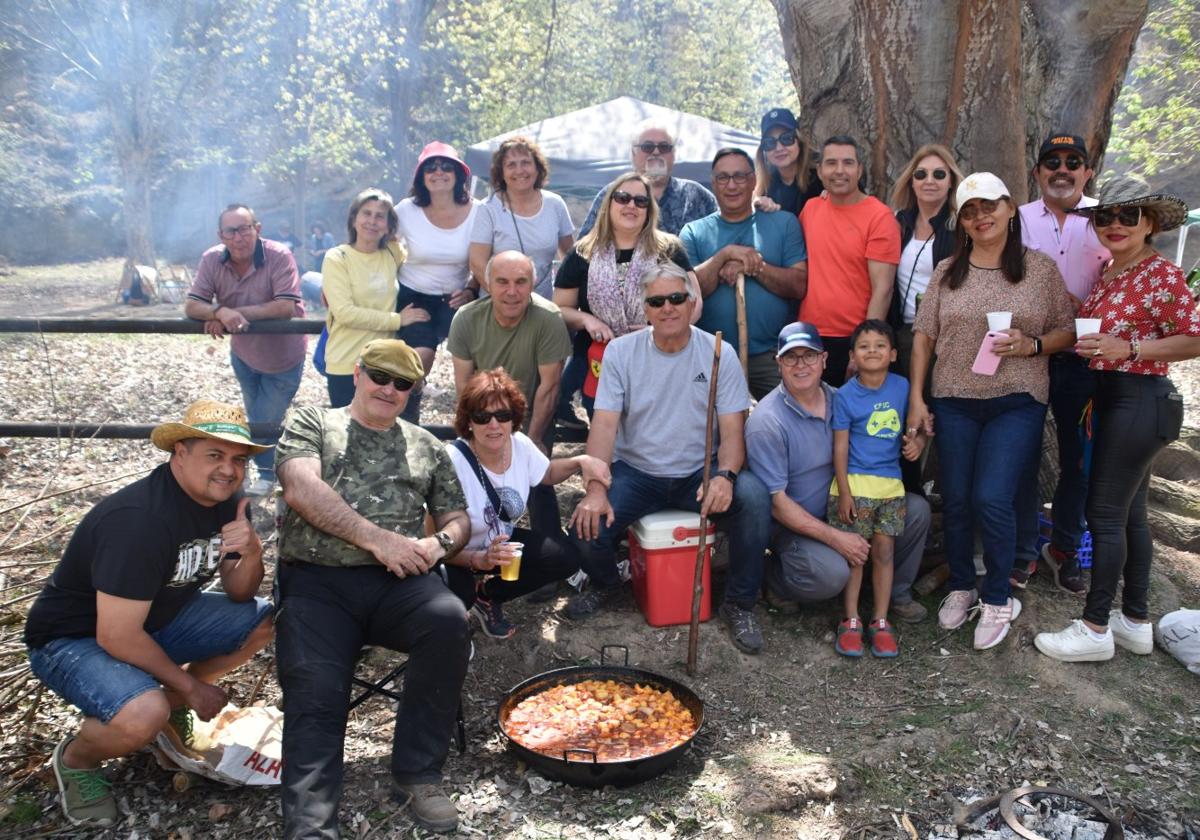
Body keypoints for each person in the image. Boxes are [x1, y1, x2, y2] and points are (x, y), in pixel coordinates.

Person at [24, 401, 274, 827]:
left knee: (266, 619)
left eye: (238, 459)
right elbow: (116, 636)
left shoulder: (229, 501)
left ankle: (169, 706)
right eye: (214, 455)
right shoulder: (139, 521)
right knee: (143, 712)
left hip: (156, 618)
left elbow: (239, 592)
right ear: (180, 452)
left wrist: (250, 551)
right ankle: (77, 759)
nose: (229, 470)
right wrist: (192, 687)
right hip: (72, 639)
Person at [274, 339, 471, 836]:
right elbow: (300, 488)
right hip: (318, 582)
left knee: (448, 620)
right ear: (357, 374)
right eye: (379, 376)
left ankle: (418, 772)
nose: (389, 389)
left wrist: (439, 544)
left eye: (402, 383)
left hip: (398, 584)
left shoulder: (427, 445)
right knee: (316, 689)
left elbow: (457, 518)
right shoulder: (314, 423)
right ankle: (312, 823)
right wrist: (378, 540)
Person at [565, 261, 772, 655]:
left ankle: (740, 603)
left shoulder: (717, 352)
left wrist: (725, 476)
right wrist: (595, 487)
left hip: (700, 472)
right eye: (657, 301)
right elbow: (604, 427)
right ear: (644, 309)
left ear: (693, 302)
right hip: (637, 472)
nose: (668, 308)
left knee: (756, 500)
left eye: (677, 298)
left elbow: (732, 431)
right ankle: (610, 584)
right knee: (584, 527)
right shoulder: (621, 353)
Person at [1034, 177, 1200, 662]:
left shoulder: (1160, 274)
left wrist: (1128, 348)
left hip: (1140, 400)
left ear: (1149, 223)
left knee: (1103, 514)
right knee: (1130, 514)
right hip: (1113, 400)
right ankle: (1134, 621)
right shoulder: (1112, 273)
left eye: (1129, 216)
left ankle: (1094, 626)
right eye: (1106, 217)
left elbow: (1193, 338)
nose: (1115, 225)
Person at [908, 173, 1075, 650]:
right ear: (960, 221)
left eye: (989, 206)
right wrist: (918, 398)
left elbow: (1067, 329)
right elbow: (924, 337)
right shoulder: (947, 271)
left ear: (1009, 208)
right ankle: (962, 585)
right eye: (969, 210)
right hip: (955, 398)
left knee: (992, 497)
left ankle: (998, 594)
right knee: (957, 498)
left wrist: (1033, 344)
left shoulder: (1038, 269)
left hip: (1017, 400)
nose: (980, 216)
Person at [744, 322, 931, 625]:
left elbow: (892, 428)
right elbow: (776, 503)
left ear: (824, 360)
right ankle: (776, 578)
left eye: (809, 355)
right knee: (832, 575)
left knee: (918, 511)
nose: (801, 365)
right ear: (779, 363)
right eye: (791, 357)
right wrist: (835, 538)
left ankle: (895, 592)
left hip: (855, 507)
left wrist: (919, 437)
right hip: (799, 524)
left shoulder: (840, 398)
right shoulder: (767, 423)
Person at [1011, 132, 1111, 593]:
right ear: (1037, 172)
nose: (1062, 169)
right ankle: (1022, 550)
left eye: (1074, 161)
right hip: (1026, 355)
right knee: (1021, 457)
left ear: (1088, 172)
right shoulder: (1018, 219)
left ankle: (1065, 548)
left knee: (1078, 464)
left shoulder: (1108, 219)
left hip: (1082, 361)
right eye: (1052, 161)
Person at [443, 369, 609, 638]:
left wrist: (581, 461)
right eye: (482, 417)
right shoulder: (452, 461)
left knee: (564, 557)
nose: (494, 425)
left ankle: (487, 596)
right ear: (469, 421)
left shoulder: (519, 444)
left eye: (503, 416)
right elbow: (433, 538)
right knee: (453, 616)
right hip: (457, 554)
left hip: (499, 542)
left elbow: (547, 474)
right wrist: (477, 559)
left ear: (514, 419)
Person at [554, 172, 701, 416]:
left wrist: (661, 330)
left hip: (659, 353)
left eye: (640, 201)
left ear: (648, 209)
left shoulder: (669, 249)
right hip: (598, 359)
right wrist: (587, 320)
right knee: (603, 430)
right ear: (609, 203)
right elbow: (560, 308)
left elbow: (694, 302)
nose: (631, 205)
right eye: (623, 198)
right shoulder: (582, 253)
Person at [185, 204, 307, 495]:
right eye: (232, 230)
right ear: (221, 235)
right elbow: (192, 304)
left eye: (245, 228)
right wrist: (219, 311)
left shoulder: (278, 255)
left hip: (284, 358)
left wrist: (229, 314)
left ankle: (266, 474)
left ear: (257, 229)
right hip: (244, 355)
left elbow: (285, 306)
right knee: (255, 416)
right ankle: (258, 471)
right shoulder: (212, 259)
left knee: (265, 420)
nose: (239, 236)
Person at [447, 251, 572, 530]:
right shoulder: (467, 319)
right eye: (502, 282)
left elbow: (549, 387)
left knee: (539, 480)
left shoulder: (548, 319)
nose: (512, 292)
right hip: (483, 412)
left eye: (521, 282)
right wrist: (470, 432)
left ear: (534, 284)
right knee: (471, 476)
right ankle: (471, 539)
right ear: (488, 284)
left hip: (533, 410)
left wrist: (535, 438)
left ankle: (550, 548)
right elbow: (464, 388)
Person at [829, 320, 925, 658]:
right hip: (854, 485)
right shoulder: (844, 396)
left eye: (880, 345)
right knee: (856, 556)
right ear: (853, 355)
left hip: (891, 488)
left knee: (884, 553)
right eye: (864, 346)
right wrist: (843, 491)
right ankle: (851, 619)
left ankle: (880, 620)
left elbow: (918, 427)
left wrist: (919, 443)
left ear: (894, 353)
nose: (872, 351)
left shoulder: (902, 388)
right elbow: (839, 447)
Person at [681, 148, 808, 399]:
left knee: (789, 417)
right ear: (713, 183)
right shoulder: (693, 232)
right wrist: (725, 255)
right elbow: (689, 295)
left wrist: (753, 267)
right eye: (723, 178)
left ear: (753, 181)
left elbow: (798, 286)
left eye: (739, 176)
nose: (731, 185)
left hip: (773, 355)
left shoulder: (784, 223)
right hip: (711, 354)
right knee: (709, 429)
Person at [799, 136, 901, 386]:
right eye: (831, 163)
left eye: (848, 163)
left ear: (860, 170)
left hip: (852, 339)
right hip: (809, 337)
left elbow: (883, 289)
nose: (840, 171)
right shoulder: (810, 209)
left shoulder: (879, 217)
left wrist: (864, 348)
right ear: (820, 171)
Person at [395, 141, 481, 424]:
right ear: (421, 176)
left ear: (459, 174)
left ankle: (471, 424)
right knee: (419, 359)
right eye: (430, 167)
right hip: (414, 294)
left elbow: (484, 258)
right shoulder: (407, 210)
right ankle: (406, 422)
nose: (439, 172)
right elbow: (377, 246)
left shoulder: (478, 211)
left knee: (474, 363)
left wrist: (471, 288)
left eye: (446, 167)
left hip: (457, 295)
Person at [321, 188, 428, 408]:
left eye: (380, 216)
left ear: (389, 225)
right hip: (346, 364)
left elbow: (423, 268)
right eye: (366, 213)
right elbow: (344, 312)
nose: (372, 221)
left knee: (384, 437)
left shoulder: (392, 252)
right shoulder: (337, 257)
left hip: (386, 366)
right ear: (353, 219)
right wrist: (397, 320)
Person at [887, 144, 963, 376]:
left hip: (944, 337)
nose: (929, 180)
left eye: (939, 174)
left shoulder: (961, 226)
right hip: (901, 333)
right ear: (912, 181)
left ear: (951, 181)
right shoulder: (897, 223)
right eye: (921, 174)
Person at [469, 136, 574, 300]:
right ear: (501, 173)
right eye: (511, 165)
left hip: (543, 305)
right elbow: (477, 262)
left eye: (525, 162)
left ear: (537, 168)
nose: (519, 170)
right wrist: (507, 298)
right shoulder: (487, 209)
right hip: (498, 305)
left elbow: (569, 257)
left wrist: (566, 297)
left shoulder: (555, 204)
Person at [577, 119, 718, 236]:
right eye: (647, 146)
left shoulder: (696, 196)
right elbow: (582, 251)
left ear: (674, 154)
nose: (656, 152)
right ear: (634, 153)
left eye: (664, 147)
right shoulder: (612, 196)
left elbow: (722, 238)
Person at [753, 107, 822, 216]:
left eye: (786, 138)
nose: (779, 148)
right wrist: (758, 206)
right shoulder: (766, 186)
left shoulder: (822, 177)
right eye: (769, 142)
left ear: (799, 140)